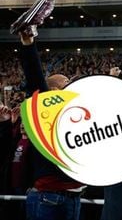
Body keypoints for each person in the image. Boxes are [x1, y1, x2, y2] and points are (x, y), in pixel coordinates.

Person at [18, 32, 84, 220]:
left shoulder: (74, 115)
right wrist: (28, 43)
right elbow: (34, 77)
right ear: (54, 91)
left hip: (73, 196)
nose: (72, 85)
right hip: (48, 196)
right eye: (67, 83)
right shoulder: (45, 112)